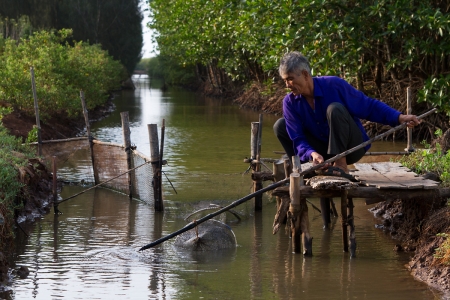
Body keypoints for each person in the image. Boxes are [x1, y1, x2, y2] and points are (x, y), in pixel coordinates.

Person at [273, 51, 420, 178]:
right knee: (280, 126)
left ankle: (341, 165)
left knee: (335, 109)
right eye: (285, 80)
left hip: (350, 148)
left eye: (290, 79)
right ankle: (311, 167)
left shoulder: (333, 85)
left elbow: (368, 106)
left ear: (305, 75)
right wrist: (311, 154)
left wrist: (399, 117)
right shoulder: (290, 103)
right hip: (321, 153)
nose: (287, 85)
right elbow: (298, 138)